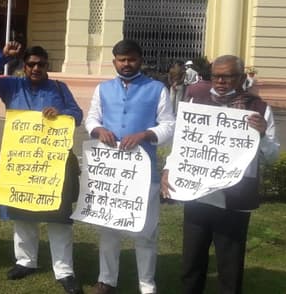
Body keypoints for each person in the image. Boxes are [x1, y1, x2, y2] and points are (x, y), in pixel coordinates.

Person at [161, 55, 280, 294]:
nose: (221, 81)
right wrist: (168, 169)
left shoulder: (258, 109)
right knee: (191, 263)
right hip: (198, 195)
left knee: (230, 266)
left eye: (228, 76)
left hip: (235, 199)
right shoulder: (196, 102)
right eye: (216, 76)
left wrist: (262, 136)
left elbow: (272, 156)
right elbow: (182, 145)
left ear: (241, 77)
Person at [0, 42, 83, 293]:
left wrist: (61, 111)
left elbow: (77, 114)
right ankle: (25, 261)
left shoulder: (59, 88)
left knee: (59, 219)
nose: (36, 68)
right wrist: (2, 56)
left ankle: (64, 270)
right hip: (21, 164)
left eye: (41, 64)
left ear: (47, 66)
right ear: (24, 66)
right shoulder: (11, 86)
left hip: (53, 165)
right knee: (22, 214)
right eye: (31, 64)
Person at [84, 39, 175, 294]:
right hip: (111, 171)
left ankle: (147, 285)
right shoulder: (103, 89)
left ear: (140, 61)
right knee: (108, 229)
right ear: (114, 62)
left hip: (143, 171)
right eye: (121, 60)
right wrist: (98, 129)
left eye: (131, 59)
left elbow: (169, 125)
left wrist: (145, 134)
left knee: (146, 231)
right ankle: (107, 280)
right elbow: (91, 118)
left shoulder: (157, 89)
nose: (126, 64)